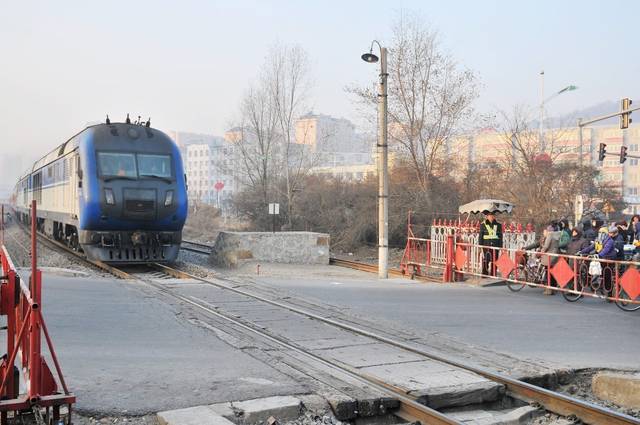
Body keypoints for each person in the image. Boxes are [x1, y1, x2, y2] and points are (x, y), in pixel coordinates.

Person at [479, 210, 503, 276]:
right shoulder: (483, 225)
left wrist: (500, 246)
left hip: (495, 245)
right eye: (490, 216)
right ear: (487, 217)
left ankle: (493, 274)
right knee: (486, 260)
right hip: (486, 245)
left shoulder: (498, 225)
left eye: (492, 216)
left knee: (495, 261)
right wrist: (480, 245)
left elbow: (500, 236)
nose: (491, 217)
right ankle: (484, 273)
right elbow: (481, 236)